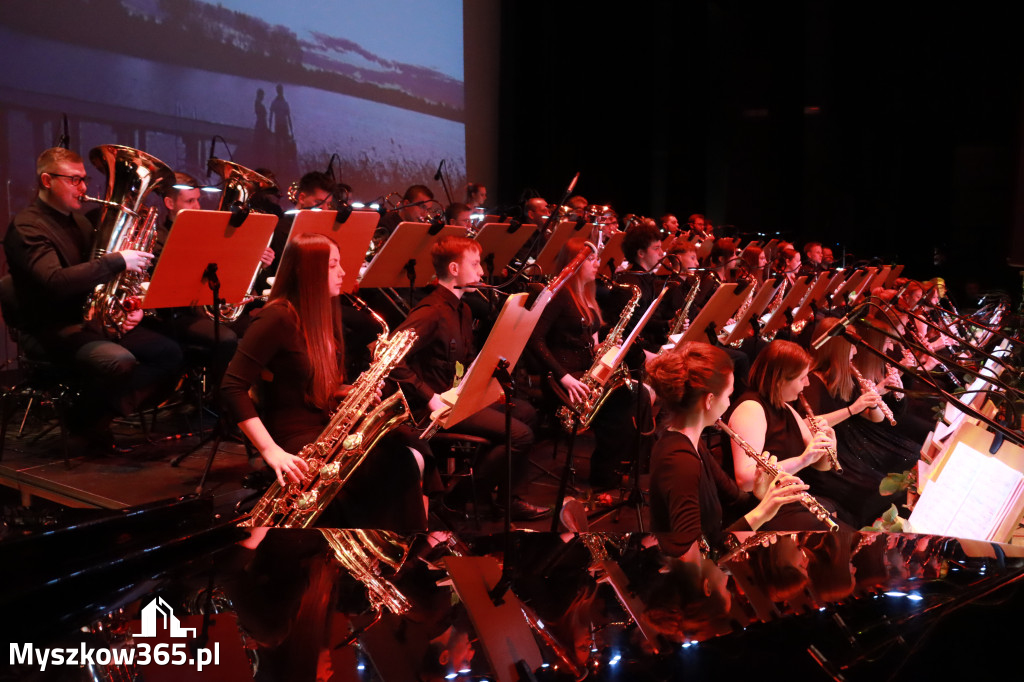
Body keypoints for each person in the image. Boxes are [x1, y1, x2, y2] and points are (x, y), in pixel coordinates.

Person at [222, 232, 427, 529]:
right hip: (293, 436)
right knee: (396, 465)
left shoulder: (323, 314)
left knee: (409, 444)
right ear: (307, 272)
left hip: (323, 421)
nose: (343, 272)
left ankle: (396, 543)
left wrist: (350, 392)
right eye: (333, 265)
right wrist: (271, 451)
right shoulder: (276, 318)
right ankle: (388, 547)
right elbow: (232, 387)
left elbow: (312, 384)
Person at [3, 147, 183, 446]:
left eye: (84, 179)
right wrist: (117, 260)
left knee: (170, 353)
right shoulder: (27, 227)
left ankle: (94, 417)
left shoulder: (81, 223)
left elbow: (101, 280)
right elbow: (55, 282)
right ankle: (85, 420)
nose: (84, 188)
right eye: (74, 180)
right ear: (47, 181)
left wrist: (129, 307)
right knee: (119, 361)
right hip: (50, 328)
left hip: (84, 320)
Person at [390, 236, 545, 521]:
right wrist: (429, 397)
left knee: (525, 412)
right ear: (453, 268)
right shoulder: (431, 312)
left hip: (458, 398)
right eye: (474, 265)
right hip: (439, 407)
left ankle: (504, 498)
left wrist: (486, 389)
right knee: (520, 434)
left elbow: (466, 363)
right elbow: (390, 358)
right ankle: (460, 497)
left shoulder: (464, 308)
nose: (482, 273)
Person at [646, 342, 809, 553]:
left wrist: (763, 494)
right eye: (729, 395)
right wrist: (761, 515)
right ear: (709, 400)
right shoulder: (680, 463)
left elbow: (733, 497)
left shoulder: (693, 443)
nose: (730, 403)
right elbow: (692, 552)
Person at [528, 237, 649, 489]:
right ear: (575, 264)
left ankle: (614, 466)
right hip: (564, 379)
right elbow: (535, 340)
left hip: (584, 373)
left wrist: (607, 350)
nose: (597, 264)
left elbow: (589, 342)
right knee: (628, 398)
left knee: (635, 395)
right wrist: (564, 377)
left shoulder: (587, 296)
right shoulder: (560, 295)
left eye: (597, 259)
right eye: (591, 260)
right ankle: (604, 473)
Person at [726, 340, 842, 531]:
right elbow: (746, 481)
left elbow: (822, 466)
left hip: (786, 498)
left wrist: (830, 442)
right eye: (802, 378)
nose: (807, 383)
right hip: (761, 509)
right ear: (780, 380)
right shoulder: (750, 409)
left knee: (837, 512)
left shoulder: (785, 406)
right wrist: (802, 460)